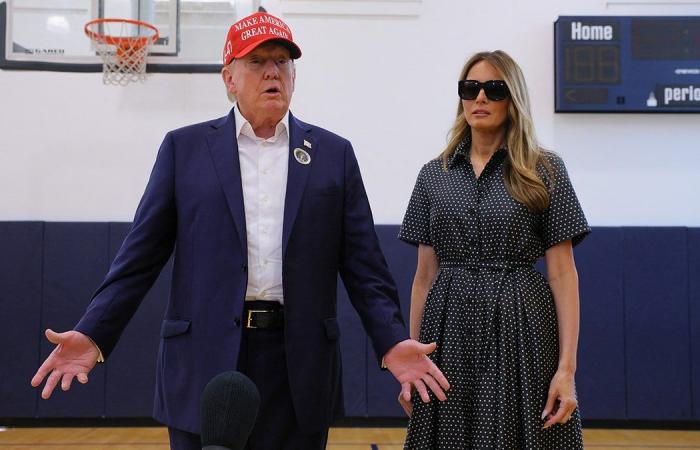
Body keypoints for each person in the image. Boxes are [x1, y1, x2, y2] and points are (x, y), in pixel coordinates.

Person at [30, 11, 449, 450]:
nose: (273, 71)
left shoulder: (333, 155)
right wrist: (94, 331)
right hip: (203, 362)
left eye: (283, 61)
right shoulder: (184, 149)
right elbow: (138, 259)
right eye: (257, 61)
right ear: (228, 78)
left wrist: (392, 341)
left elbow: (366, 270)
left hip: (298, 367)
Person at [397, 50, 590, 449]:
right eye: (470, 88)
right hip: (446, 330)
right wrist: (412, 363)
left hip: (522, 330)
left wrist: (566, 370)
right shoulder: (434, 174)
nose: (479, 98)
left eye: (493, 88)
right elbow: (424, 277)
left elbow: (562, 273)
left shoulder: (545, 170)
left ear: (512, 97)